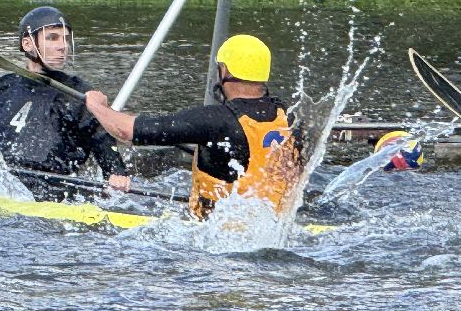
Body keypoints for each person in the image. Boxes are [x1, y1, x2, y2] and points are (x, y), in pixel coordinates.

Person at [83, 33, 300, 218]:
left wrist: (97, 106)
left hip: (216, 232)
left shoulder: (214, 120)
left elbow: (127, 131)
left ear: (224, 71)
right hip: (273, 222)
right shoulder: (288, 117)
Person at [0, 6, 129, 190]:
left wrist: (117, 175)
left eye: (65, 39)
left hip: (49, 191)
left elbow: (106, 149)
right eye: (52, 38)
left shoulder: (82, 95)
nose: (63, 46)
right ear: (28, 44)